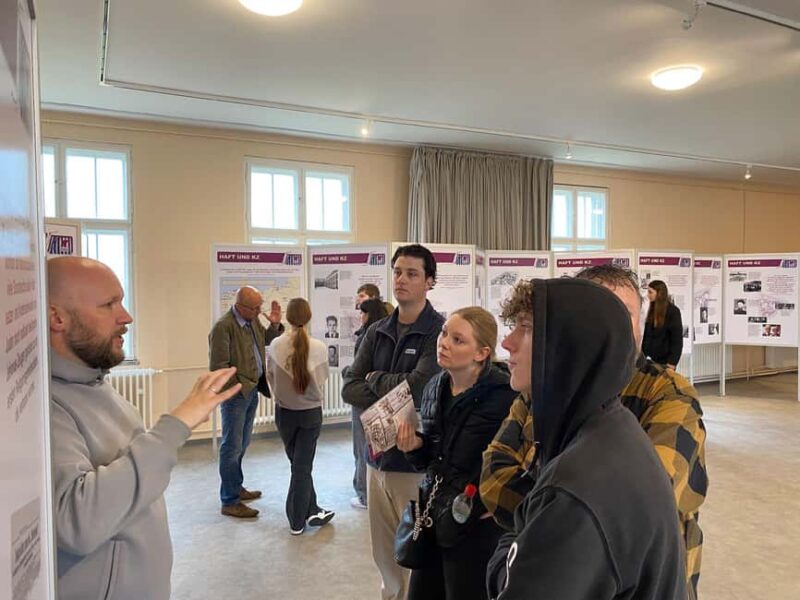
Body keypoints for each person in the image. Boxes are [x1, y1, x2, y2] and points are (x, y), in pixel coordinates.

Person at [481, 266, 707, 599]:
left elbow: (644, 499)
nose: (508, 342)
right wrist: (544, 508)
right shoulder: (563, 403)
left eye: (623, 314)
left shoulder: (664, 394)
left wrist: (541, 515)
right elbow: (493, 474)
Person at [48, 257, 241, 600]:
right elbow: (76, 522)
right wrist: (176, 425)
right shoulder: (45, 406)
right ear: (57, 318)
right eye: (109, 305)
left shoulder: (94, 380)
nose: (126, 317)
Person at [342, 243, 445, 600]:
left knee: (413, 560)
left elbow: (420, 387)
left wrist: (374, 379)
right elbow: (348, 388)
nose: (401, 279)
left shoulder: (438, 332)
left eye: (412, 273)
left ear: (429, 281)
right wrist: (388, 385)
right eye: (398, 272)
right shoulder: (378, 330)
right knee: (384, 559)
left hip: (413, 462)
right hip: (376, 461)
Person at [396, 307, 516, 600]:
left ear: (482, 353)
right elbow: (434, 458)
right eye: (444, 333)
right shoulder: (435, 386)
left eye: (458, 339)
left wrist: (494, 503)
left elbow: (518, 460)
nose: (444, 342)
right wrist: (415, 447)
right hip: (433, 514)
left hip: (475, 524)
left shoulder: (505, 397)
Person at [209, 286, 284, 518]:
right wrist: (237, 388)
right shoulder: (223, 327)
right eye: (255, 307)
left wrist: (273, 324)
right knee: (231, 446)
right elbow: (218, 367)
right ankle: (229, 500)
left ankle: (236, 487)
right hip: (237, 394)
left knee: (242, 444)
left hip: (252, 389)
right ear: (240, 306)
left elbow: (268, 340)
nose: (258, 311)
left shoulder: (252, 322)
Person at [266, 298, 334, 535]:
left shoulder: (275, 345)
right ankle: (296, 521)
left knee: (299, 466)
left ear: (287, 317)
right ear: (309, 317)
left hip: (284, 414)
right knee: (301, 468)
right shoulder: (320, 348)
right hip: (310, 415)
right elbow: (323, 379)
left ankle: (313, 508)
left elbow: (270, 377)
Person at [349, 298, 391, 509]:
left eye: (363, 313)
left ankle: (364, 494)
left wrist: (350, 374)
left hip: (364, 398)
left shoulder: (369, 336)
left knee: (362, 447)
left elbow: (360, 373)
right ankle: (372, 492)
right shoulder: (386, 335)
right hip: (378, 398)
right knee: (376, 447)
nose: (360, 317)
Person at [642, 279, 683, 369]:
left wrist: (672, 362)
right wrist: (643, 354)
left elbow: (677, 340)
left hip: (666, 361)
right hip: (651, 359)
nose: (648, 295)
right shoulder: (652, 309)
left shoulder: (673, 311)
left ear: (659, 293)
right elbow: (647, 334)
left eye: (650, 292)